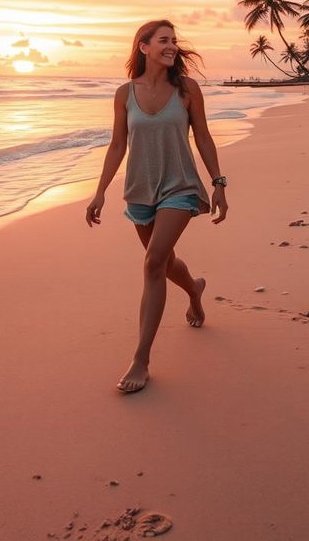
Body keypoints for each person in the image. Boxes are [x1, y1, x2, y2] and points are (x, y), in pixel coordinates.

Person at [86, 19, 228, 393]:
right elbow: (117, 145)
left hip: (179, 186)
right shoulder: (123, 93)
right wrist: (99, 191)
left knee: (151, 262)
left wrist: (218, 183)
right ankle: (194, 290)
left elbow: (204, 137)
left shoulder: (187, 90)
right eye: (164, 40)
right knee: (163, 261)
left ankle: (141, 359)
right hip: (139, 189)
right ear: (143, 47)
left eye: (174, 41)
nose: (172, 46)